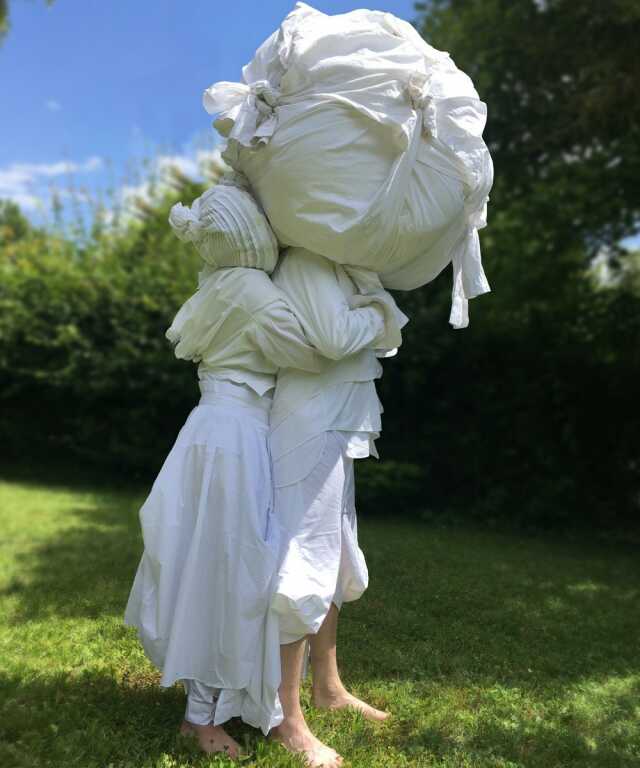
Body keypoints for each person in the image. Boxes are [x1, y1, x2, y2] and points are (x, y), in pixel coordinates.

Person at [123, 175, 399, 760]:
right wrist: (370, 313)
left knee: (209, 563)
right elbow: (309, 350)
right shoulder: (252, 290)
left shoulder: (217, 284)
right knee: (228, 571)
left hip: (209, 430)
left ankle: (211, 707)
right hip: (238, 436)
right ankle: (201, 719)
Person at [268, 247, 408, 768]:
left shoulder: (340, 266)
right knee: (303, 560)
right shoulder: (306, 262)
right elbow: (334, 338)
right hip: (308, 421)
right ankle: (285, 716)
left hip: (339, 419)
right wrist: (379, 311)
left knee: (335, 551)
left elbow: (378, 342)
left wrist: (372, 311)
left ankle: (327, 687)